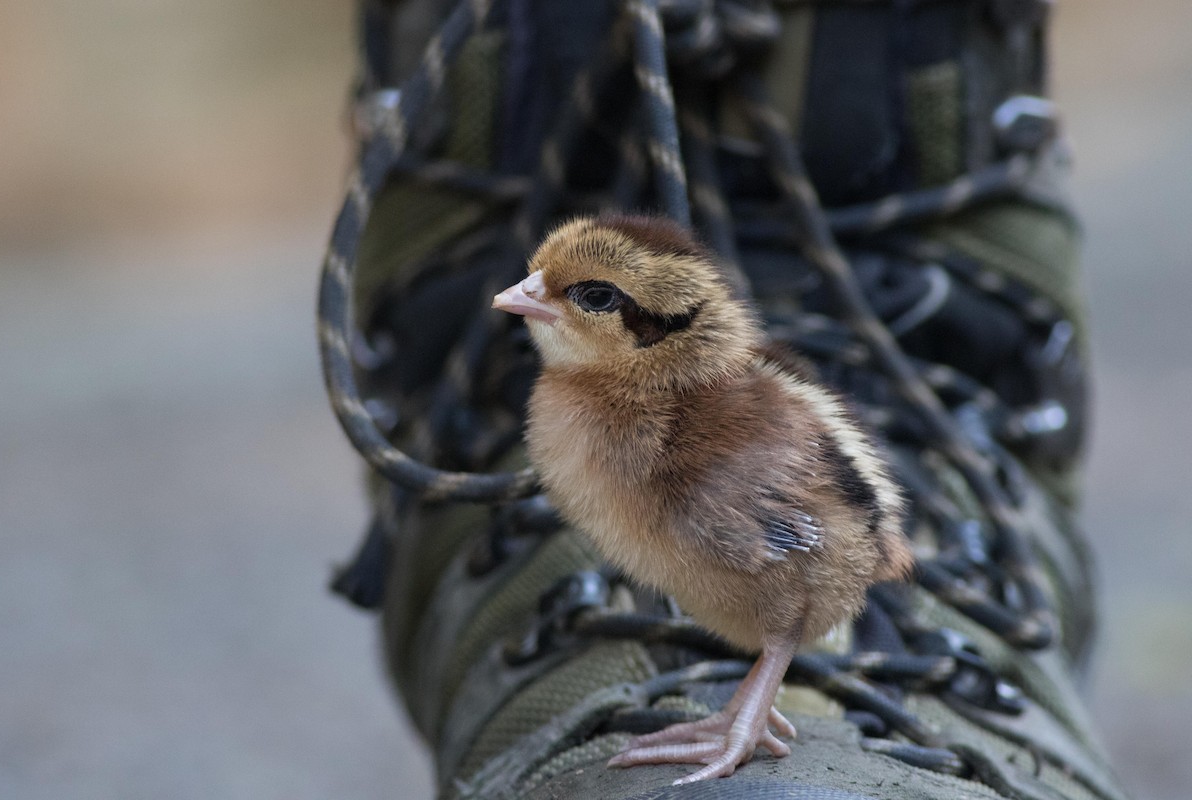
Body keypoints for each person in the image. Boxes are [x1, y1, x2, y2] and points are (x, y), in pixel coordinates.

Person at [321, 1, 1132, 798]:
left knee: (726, 521)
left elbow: (822, 539)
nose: (529, 294)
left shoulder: (691, 452)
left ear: (658, 328)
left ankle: (942, 361)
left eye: (587, 297)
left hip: (799, 547)